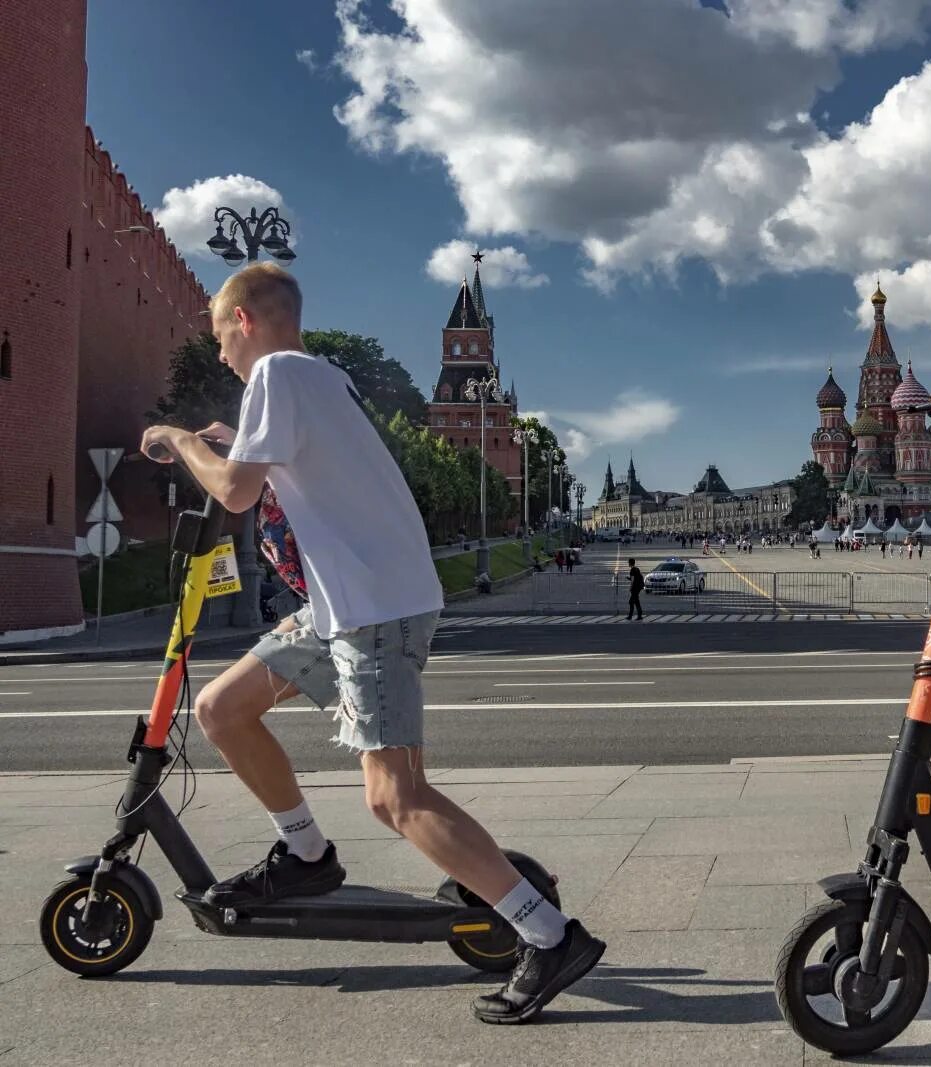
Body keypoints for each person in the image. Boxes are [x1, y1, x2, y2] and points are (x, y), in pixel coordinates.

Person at [140, 263, 602, 1024]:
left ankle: (549, 933)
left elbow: (234, 491)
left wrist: (182, 438)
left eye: (221, 332)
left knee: (395, 795)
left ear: (247, 321)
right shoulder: (321, 378)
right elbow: (296, 469)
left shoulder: (279, 375)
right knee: (223, 708)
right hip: (342, 605)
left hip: (372, 610)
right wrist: (232, 440)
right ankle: (307, 856)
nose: (219, 351)